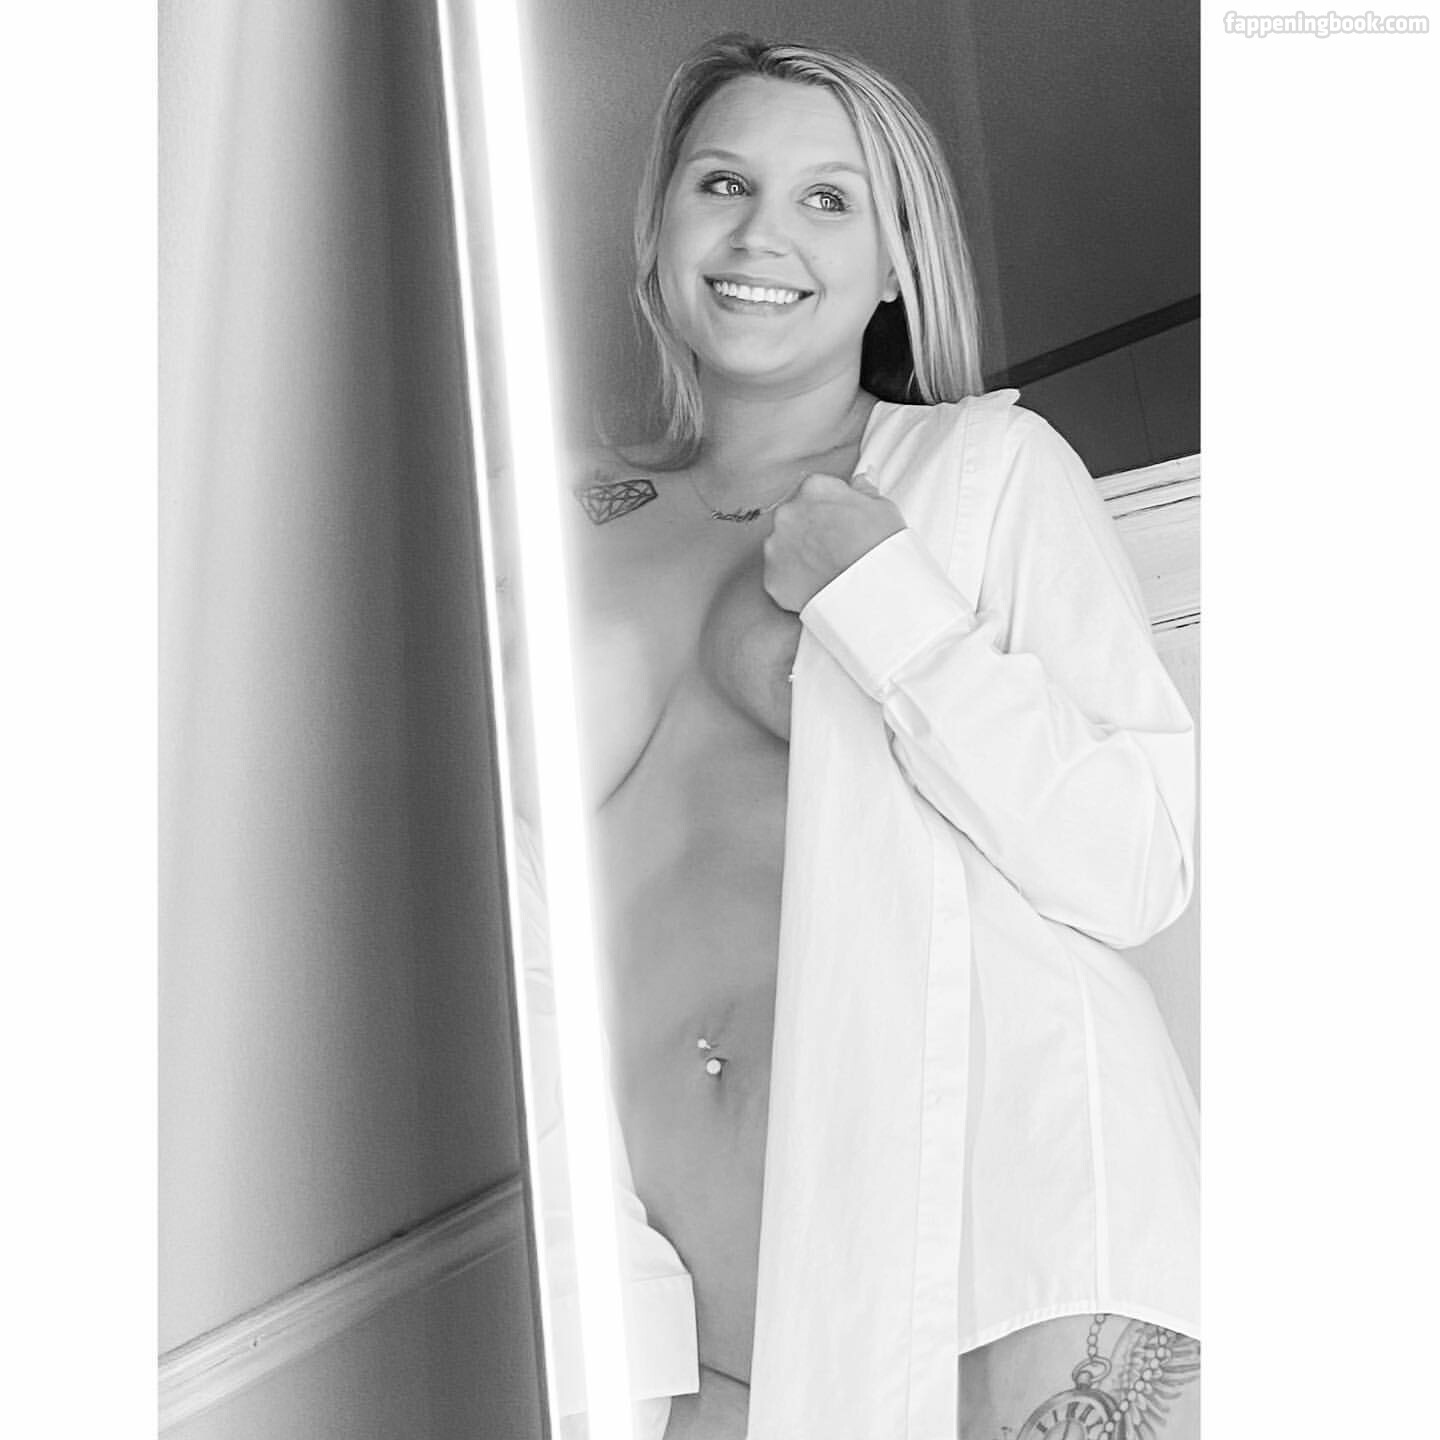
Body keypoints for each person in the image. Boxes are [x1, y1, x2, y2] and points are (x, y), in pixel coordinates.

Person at [560, 32, 1200, 1440]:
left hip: (1000, 1243)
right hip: (694, 1308)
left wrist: (885, 596)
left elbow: (1133, 862)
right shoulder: (554, 522)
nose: (761, 233)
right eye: (722, 182)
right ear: (658, 228)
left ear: (898, 263)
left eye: (828, 198)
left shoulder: (982, 472)